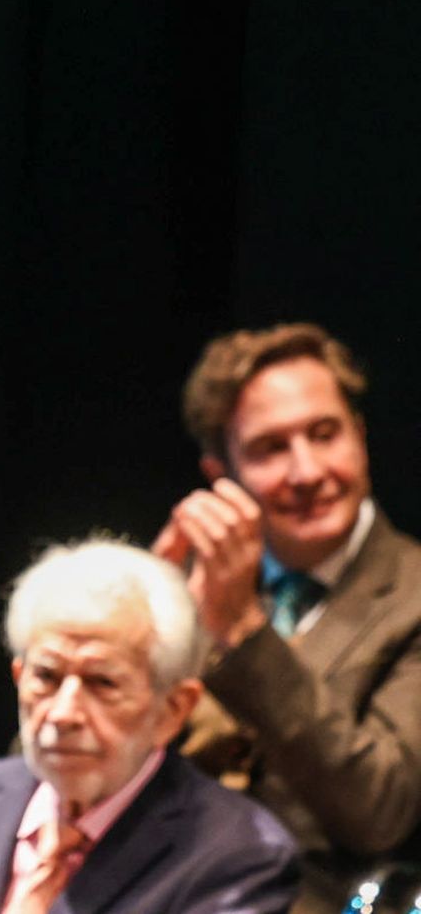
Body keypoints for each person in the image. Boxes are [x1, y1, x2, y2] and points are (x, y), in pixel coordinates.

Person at [0, 539, 299, 914]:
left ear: (174, 709)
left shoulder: (238, 856)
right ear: (19, 678)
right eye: (47, 677)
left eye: (103, 682)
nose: (62, 713)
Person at [153, 323, 421, 913]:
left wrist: (247, 634)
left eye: (325, 435)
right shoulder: (182, 579)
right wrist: (133, 643)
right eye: (271, 448)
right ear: (220, 474)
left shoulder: (413, 594)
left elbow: (381, 811)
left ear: (361, 436)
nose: (306, 471)